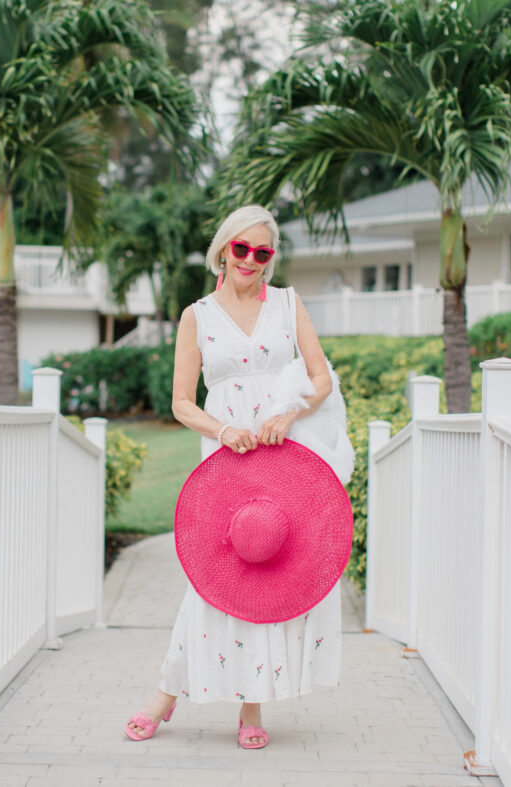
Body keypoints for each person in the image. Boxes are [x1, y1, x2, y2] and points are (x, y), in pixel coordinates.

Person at [124, 205, 345, 749]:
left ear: (271, 259)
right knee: (217, 572)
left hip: (283, 447)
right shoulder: (196, 315)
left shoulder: (289, 304)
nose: (250, 259)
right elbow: (180, 402)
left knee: (272, 567)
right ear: (223, 249)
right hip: (225, 453)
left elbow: (321, 379)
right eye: (240, 248)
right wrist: (222, 430)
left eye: (262, 251)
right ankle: (166, 692)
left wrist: (288, 413)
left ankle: (251, 709)